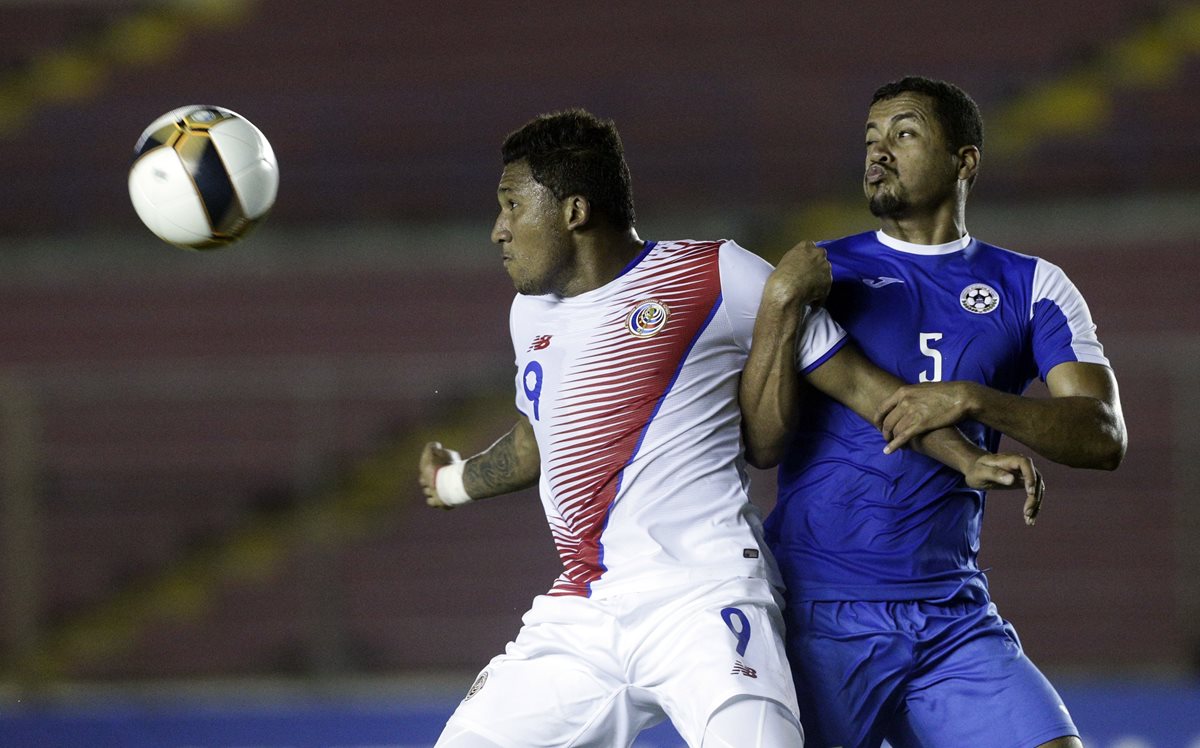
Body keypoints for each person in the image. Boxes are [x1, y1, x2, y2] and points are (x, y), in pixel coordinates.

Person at [418, 108, 1041, 748]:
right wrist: (456, 481)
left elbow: (859, 383)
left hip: (706, 597)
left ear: (574, 211)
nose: (498, 231)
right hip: (583, 608)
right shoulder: (530, 315)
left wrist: (965, 458)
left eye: (512, 206)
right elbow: (537, 438)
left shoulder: (715, 274)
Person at [741, 76, 1128, 748]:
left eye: (904, 134)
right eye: (870, 139)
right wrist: (779, 307)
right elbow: (762, 444)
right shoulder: (821, 273)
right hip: (818, 614)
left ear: (964, 160)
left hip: (951, 615)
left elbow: (1103, 436)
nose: (878, 153)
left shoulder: (1032, 286)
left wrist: (974, 398)